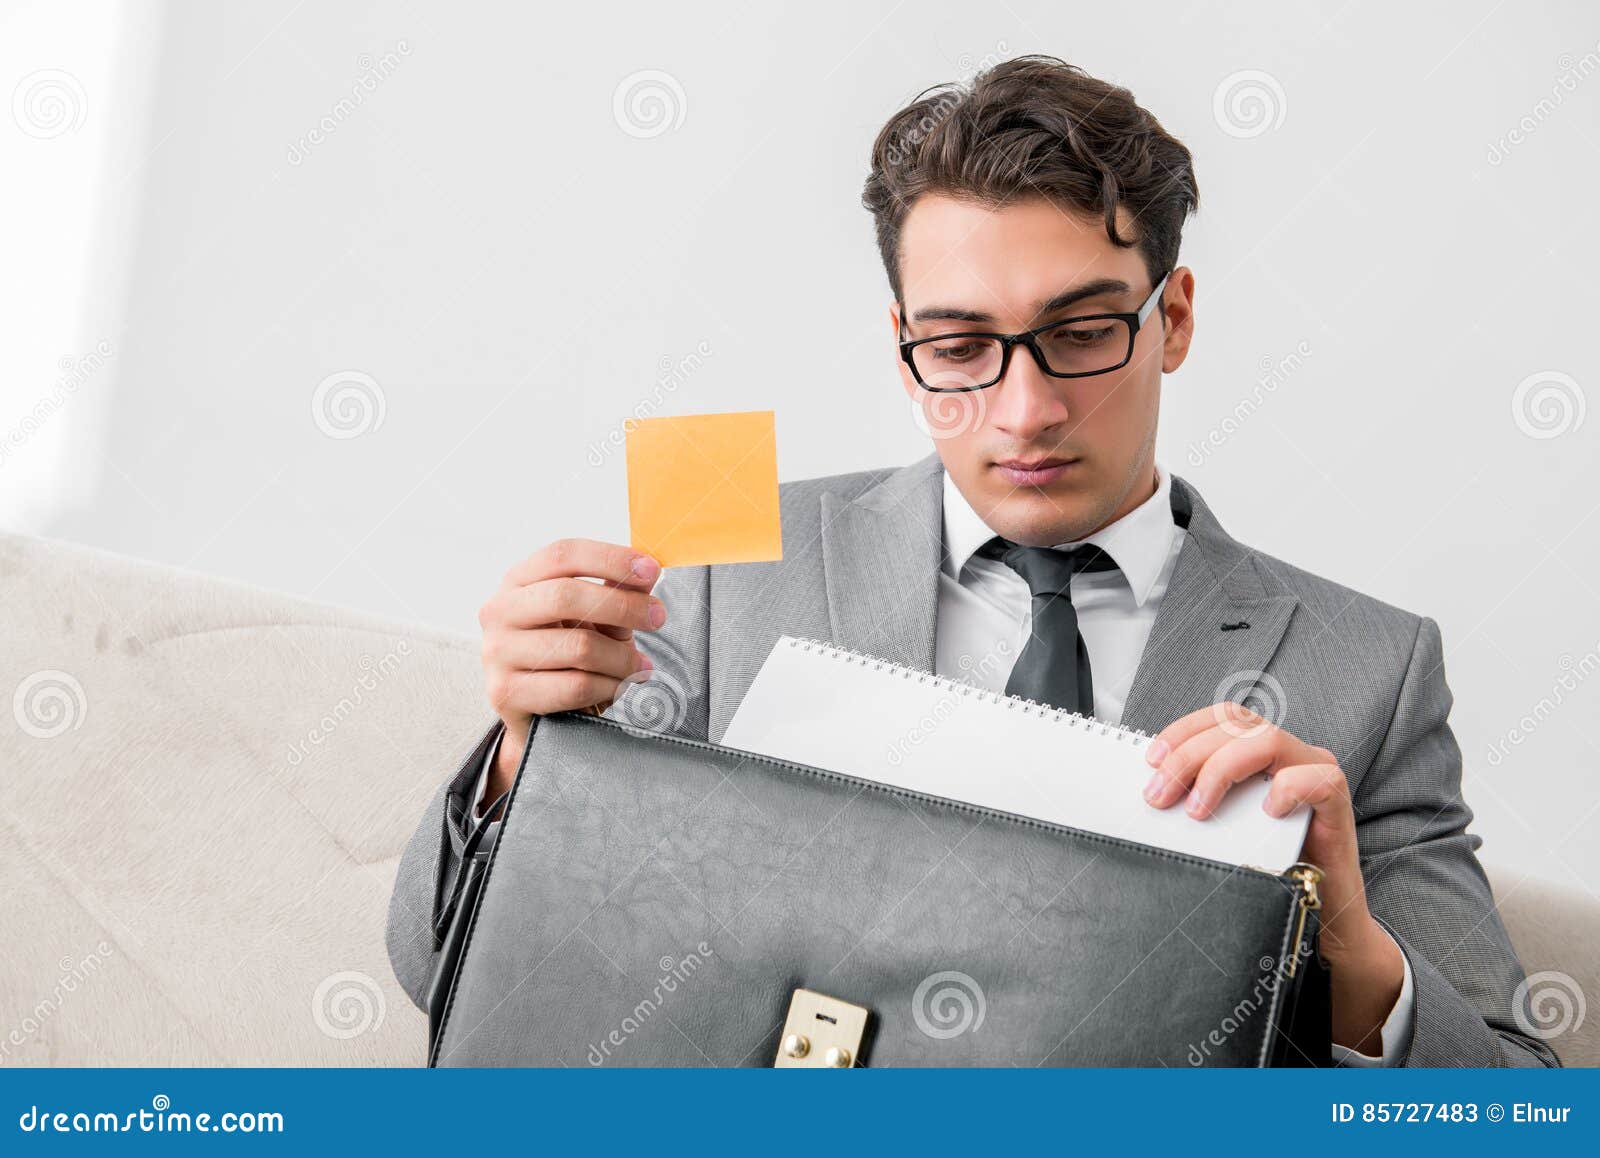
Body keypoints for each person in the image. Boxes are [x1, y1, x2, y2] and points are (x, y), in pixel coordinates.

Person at [387, 55, 1556, 1067]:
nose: (1025, 409)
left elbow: (1511, 1100)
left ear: (1176, 318)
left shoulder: (1373, 669)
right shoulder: (714, 554)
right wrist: (524, 764)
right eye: (959, 346)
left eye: (1084, 333)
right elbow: (440, 971)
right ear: (903, 352)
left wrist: (1351, 949)